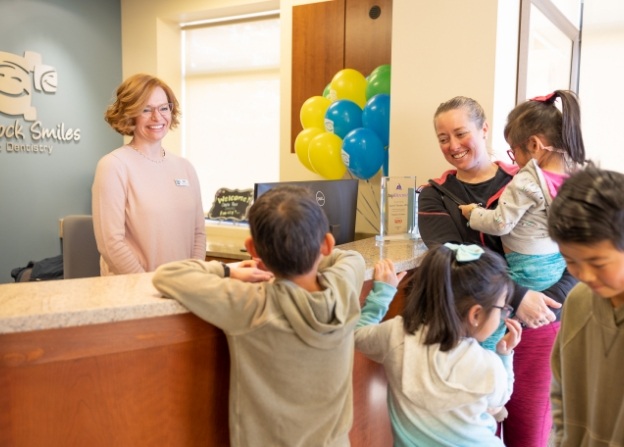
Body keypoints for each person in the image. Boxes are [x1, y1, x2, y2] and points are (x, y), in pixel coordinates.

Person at [418, 95, 580, 447]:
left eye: (461, 133)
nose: (453, 145)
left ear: (484, 129)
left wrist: (545, 303)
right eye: (443, 138)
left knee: (529, 435)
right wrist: (519, 297)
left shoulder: (529, 179)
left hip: (538, 326)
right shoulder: (434, 195)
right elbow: (450, 257)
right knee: (479, 433)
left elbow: (577, 252)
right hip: (472, 333)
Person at [152, 185, 365, 447]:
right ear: (328, 244)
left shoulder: (252, 305)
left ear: (252, 249)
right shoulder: (344, 288)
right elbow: (353, 258)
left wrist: (229, 272)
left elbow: (168, 275)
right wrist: (310, 248)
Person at [355, 243, 522, 446]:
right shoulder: (488, 365)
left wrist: (383, 293)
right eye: (502, 308)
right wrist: (504, 354)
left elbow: (359, 335)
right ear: (476, 314)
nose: (504, 314)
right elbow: (499, 401)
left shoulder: (396, 334)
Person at [458, 90, 586, 349]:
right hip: (557, 266)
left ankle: (487, 356)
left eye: (514, 151)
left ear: (535, 145)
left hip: (528, 268)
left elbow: (500, 223)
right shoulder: (573, 179)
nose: (514, 160)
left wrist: (473, 214)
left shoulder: (528, 180)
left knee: (492, 314)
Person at [92, 73, 206, 275]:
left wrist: (194, 277)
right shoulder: (114, 166)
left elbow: (198, 234)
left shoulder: (185, 167)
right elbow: (111, 244)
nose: (157, 117)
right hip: (134, 291)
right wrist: (147, 285)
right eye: (146, 109)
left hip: (185, 289)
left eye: (164, 108)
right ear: (129, 114)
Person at [547, 165, 624, 446]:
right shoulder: (578, 301)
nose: (585, 275)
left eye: (598, 263)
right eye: (572, 262)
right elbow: (560, 391)